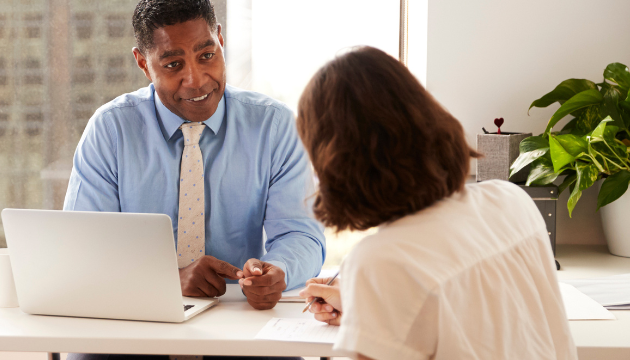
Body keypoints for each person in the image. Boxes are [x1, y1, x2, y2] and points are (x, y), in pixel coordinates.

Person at [63, 1, 323, 359]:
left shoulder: (274, 126)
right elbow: (83, 251)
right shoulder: (111, 130)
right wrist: (169, 278)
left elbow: (301, 233)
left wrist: (278, 269)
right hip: (132, 328)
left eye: (206, 55)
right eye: (173, 65)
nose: (196, 79)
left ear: (219, 39)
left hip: (241, 325)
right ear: (143, 63)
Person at [296, 46, 577, 360]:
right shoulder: (510, 200)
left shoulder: (382, 261)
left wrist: (372, 305)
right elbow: (482, 321)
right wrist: (371, 316)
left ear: (335, 163)